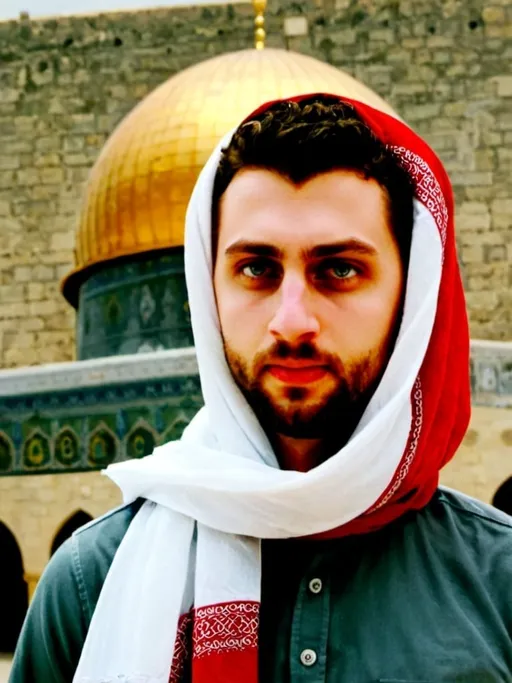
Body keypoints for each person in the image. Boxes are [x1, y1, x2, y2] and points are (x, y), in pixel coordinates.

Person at [10, 94, 512, 683]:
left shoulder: (497, 585)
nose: (292, 320)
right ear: (208, 289)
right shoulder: (90, 585)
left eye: (340, 269)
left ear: (411, 296)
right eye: (257, 269)